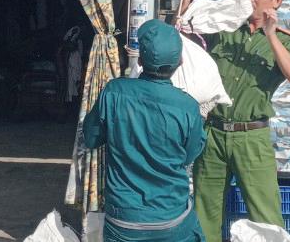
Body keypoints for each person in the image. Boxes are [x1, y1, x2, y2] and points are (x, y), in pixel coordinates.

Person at [175, 0, 290, 242]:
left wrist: (271, 35)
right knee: (205, 211)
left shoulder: (286, 41)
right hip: (213, 133)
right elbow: (182, 36)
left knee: (265, 213)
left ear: (276, 1)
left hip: (252, 137)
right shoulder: (225, 27)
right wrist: (187, 0)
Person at [83, 19, 206, 242]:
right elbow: (189, 155)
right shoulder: (188, 107)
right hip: (173, 220)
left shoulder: (113, 93)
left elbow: (90, 138)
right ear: (180, 61)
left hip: (124, 221)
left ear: (140, 59)